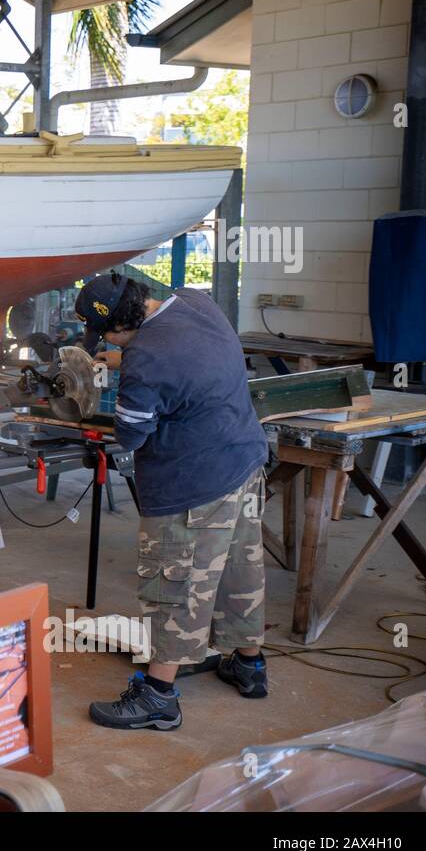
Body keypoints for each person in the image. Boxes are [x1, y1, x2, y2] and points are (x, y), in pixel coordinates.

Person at [74, 273, 270, 731]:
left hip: (193, 484)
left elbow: (131, 434)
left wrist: (127, 377)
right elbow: (184, 359)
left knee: (176, 581)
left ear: (122, 325)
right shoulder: (195, 301)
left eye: (107, 334)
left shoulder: (149, 360)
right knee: (238, 571)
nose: (107, 342)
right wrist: (127, 360)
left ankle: (158, 696)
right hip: (243, 459)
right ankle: (249, 666)